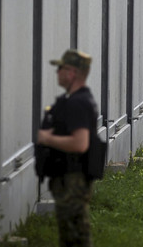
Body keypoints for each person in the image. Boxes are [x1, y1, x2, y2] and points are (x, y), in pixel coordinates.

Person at [37, 49, 99, 247]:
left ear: (72, 72)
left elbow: (80, 143)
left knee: (74, 235)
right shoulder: (76, 100)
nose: (57, 73)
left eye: (60, 69)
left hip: (73, 180)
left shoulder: (78, 103)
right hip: (69, 179)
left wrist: (47, 139)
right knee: (72, 233)